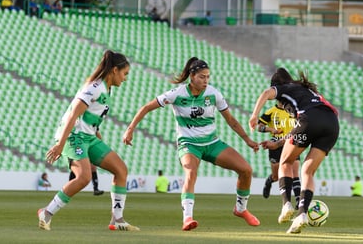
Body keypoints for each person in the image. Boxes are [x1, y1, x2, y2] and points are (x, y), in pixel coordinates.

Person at [123, 57, 260, 231]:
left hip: (212, 143)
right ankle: (187, 218)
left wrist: (248, 140)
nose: (206, 80)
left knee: (246, 170)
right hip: (188, 144)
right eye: (202, 77)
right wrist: (130, 129)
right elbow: (146, 107)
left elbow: (231, 120)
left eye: (208, 77)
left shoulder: (213, 93)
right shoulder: (177, 93)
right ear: (192, 76)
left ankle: (241, 209)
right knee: (191, 172)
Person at [37, 50, 139, 232]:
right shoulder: (94, 87)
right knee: (84, 177)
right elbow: (73, 115)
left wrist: (99, 141)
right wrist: (60, 144)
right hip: (73, 137)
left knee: (121, 170)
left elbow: (91, 120)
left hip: (89, 138)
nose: (125, 79)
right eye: (125, 74)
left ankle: (117, 219)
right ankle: (46, 212)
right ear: (115, 70)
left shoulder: (106, 89)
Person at [249, 67, 339, 234]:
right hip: (332, 124)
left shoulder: (284, 88)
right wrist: (278, 144)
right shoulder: (306, 91)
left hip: (309, 119)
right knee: (307, 171)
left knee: (285, 161)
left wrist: (254, 115)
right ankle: (302, 214)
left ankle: (286, 205)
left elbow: (265, 93)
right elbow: (300, 128)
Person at [257, 101, 301, 210]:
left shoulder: (293, 111)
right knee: (276, 176)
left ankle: (299, 200)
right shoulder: (271, 112)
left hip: (291, 142)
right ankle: (269, 181)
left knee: (294, 172)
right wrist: (271, 129)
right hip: (275, 144)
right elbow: (259, 126)